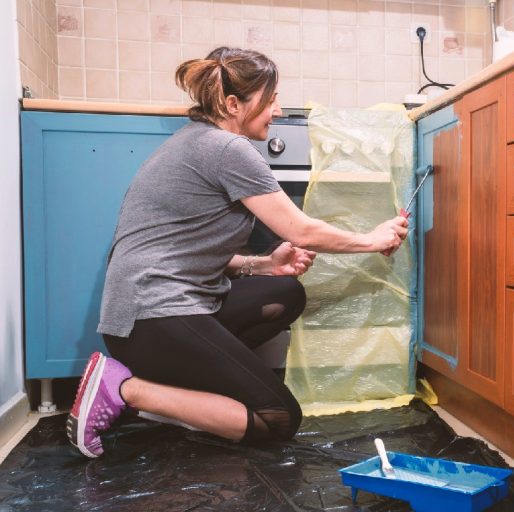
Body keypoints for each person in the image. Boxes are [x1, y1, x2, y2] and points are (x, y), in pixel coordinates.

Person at [66, 47, 409, 458]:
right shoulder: (227, 149)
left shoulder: (196, 143)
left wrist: (263, 264)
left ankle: (172, 391)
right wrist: (374, 239)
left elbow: (181, 245)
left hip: (146, 312)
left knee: (285, 294)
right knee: (278, 418)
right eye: (270, 100)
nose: (278, 111)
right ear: (233, 104)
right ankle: (125, 388)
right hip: (151, 318)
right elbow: (299, 228)